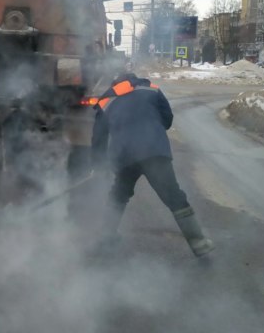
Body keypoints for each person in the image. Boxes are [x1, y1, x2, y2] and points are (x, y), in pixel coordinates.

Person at [91, 72, 214, 257]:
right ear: (134, 79)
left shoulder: (106, 101)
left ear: (115, 84)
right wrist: (151, 127)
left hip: (126, 156)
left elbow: (98, 137)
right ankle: (198, 243)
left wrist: (97, 164)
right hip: (154, 152)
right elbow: (168, 118)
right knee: (173, 195)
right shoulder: (152, 90)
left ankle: (105, 239)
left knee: (118, 196)